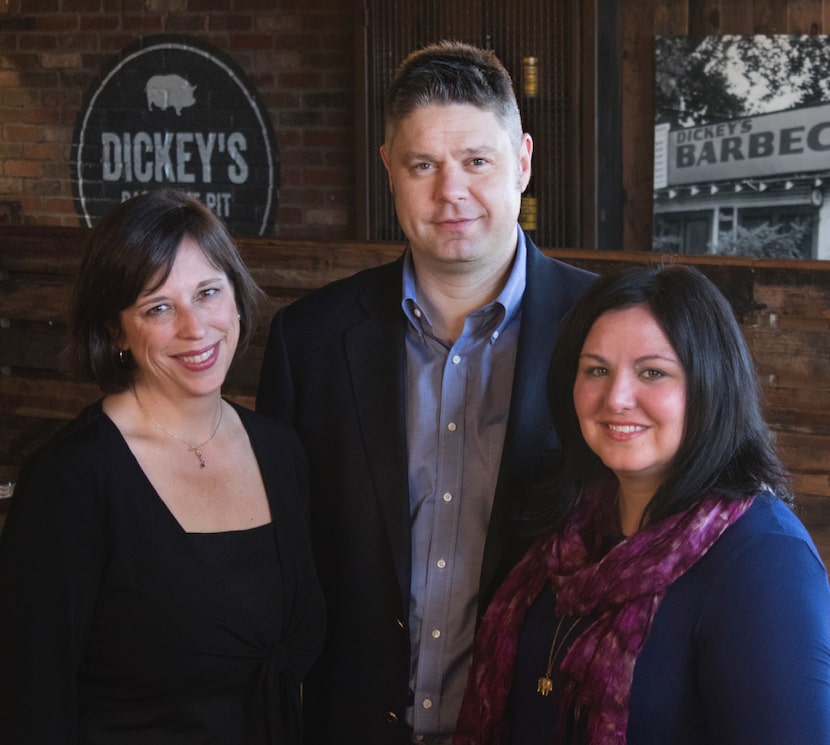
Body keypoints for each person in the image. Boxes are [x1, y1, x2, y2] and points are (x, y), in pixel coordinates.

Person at [255, 40, 596, 744]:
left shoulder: (607, 333)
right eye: (423, 165)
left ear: (523, 162)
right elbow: (281, 569)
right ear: (389, 169)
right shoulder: (308, 342)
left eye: (477, 161)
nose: (452, 192)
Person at [454, 264, 830, 745]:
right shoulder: (563, 534)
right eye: (597, 370)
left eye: (652, 372)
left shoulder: (763, 559)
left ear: (710, 385)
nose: (617, 397)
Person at [0, 189, 325, 744]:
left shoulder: (281, 452)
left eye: (207, 293)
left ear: (236, 299)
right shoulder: (72, 480)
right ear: (115, 330)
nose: (195, 328)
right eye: (158, 307)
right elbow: (30, 704)